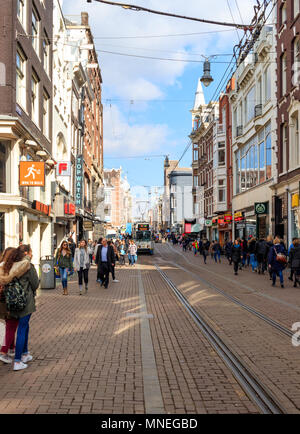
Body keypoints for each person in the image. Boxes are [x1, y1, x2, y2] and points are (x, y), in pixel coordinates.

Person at [1, 245, 39, 371]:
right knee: (22, 329)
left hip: (11, 302)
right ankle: (18, 361)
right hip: (25, 302)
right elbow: (35, 284)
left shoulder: (7, 267)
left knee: (22, 327)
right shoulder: (27, 266)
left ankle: (25, 353)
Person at [0, 247, 27, 364]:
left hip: (2, 301)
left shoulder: (2, 266)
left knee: (9, 324)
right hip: (10, 301)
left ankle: (11, 348)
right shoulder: (15, 268)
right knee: (11, 326)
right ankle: (3, 351)